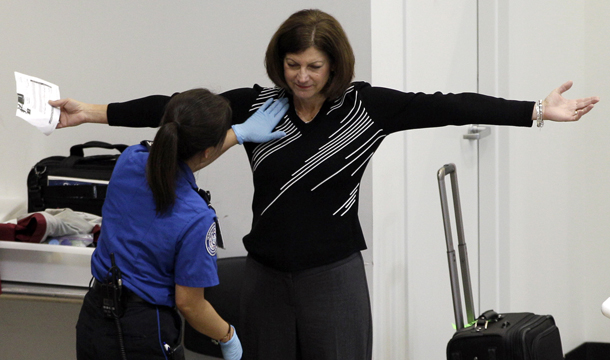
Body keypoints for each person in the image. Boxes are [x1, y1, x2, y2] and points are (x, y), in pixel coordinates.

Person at [51, 9, 599, 360]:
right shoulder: (258, 105)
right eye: (292, 64)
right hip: (265, 276)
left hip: (334, 277)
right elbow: (172, 110)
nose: (302, 77)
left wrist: (536, 110)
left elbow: (450, 106)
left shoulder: (366, 107)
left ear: (334, 64)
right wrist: (91, 112)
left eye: (313, 65)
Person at [74, 88, 288, 360]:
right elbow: (189, 304)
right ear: (208, 151)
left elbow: (176, 158)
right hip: (142, 333)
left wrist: (238, 135)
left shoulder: (130, 160)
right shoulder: (196, 217)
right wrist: (227, 336)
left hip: (94, 318)